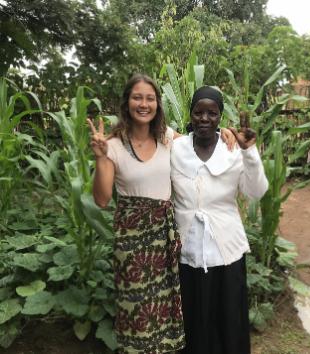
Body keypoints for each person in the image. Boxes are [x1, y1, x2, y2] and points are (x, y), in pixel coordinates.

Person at [87, 74, 235, 353]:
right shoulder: (114, 146)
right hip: (131, 241)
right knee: (137, 311)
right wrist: (99, 158)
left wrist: (223, 131)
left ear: (157, 104)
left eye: (150, 98)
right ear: (127, 102)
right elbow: (103, 199)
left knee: (167, 309)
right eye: (137, 97)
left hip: (165, 237)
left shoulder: (168, 138)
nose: (144, 104)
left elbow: (200, 136)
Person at [170, 86, 269, 354]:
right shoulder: (175, 148)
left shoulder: (233, 149)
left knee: (228, 318)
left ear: (220, 116)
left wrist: (250, 151)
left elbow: (256, 191)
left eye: (212, 113)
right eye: (198, 112)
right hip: (187, 251)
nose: (204, 118)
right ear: (190, 114)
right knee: (192, 318)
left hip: (226, 249)